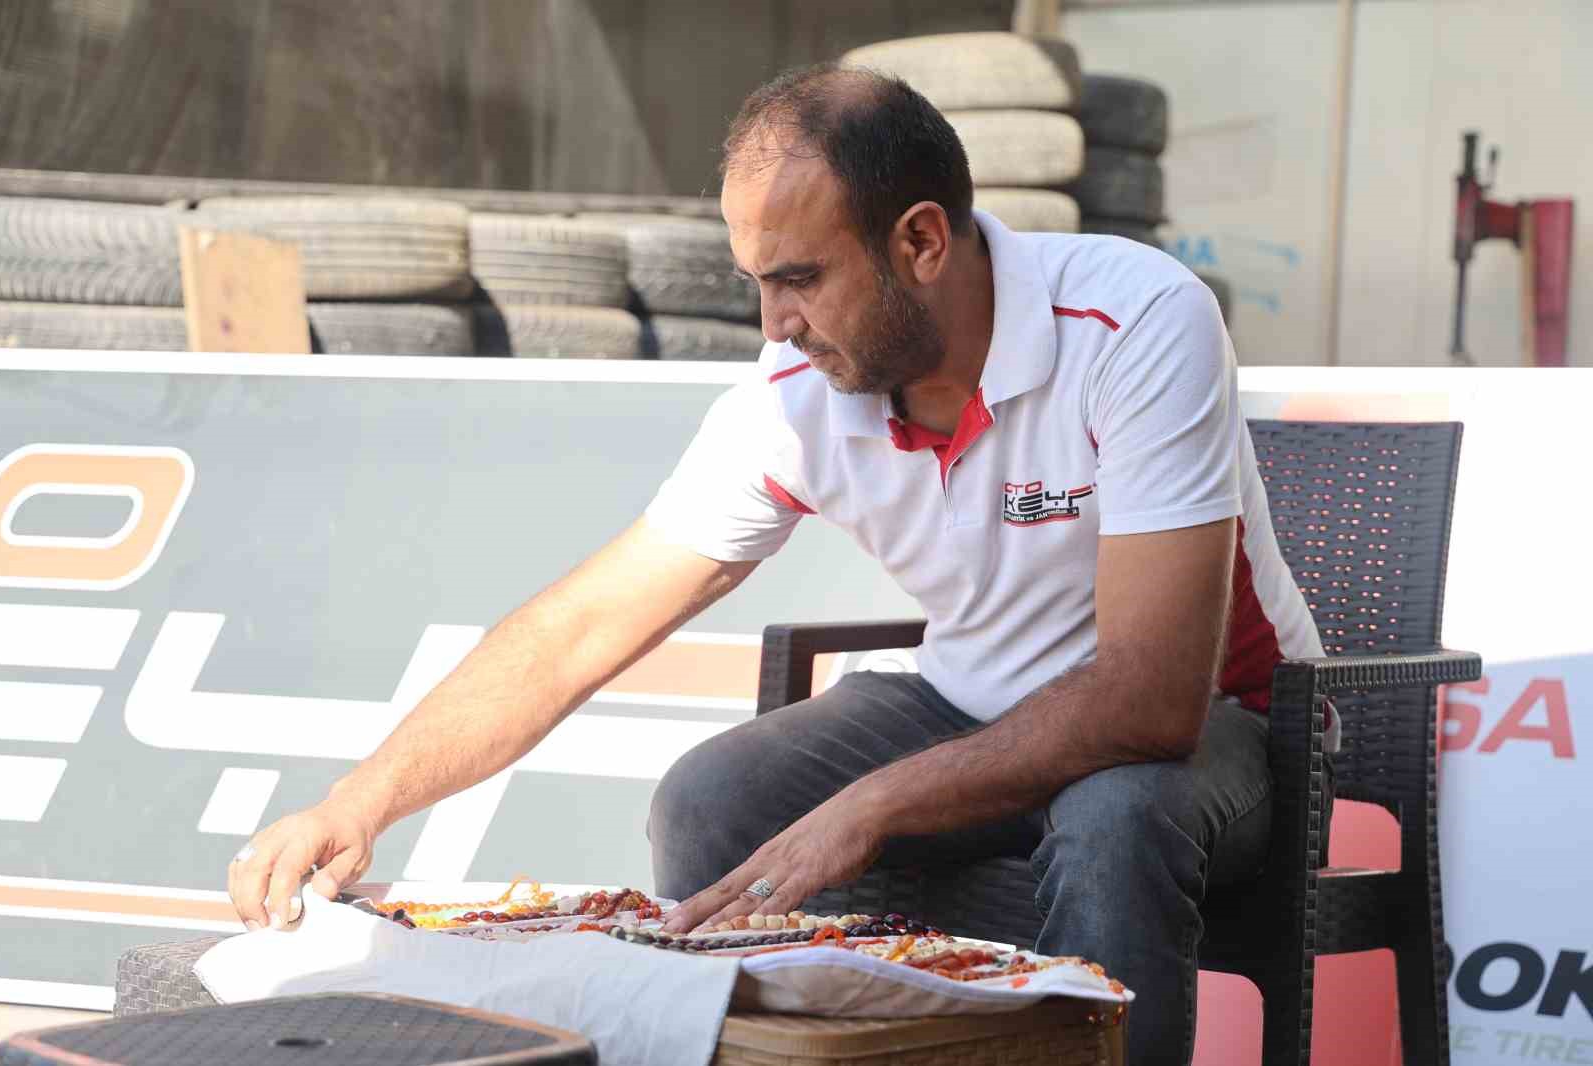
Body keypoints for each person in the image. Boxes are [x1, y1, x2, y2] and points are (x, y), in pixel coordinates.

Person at [228, 65, 1324, 1066]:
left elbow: (1149, 701)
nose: (773, 322)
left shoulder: (1134, 319)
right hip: (972, 701)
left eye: (798, 277)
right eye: (755, 279)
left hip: (1223, 722)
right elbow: (582, 625)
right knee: (714, 799)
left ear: (923, 243)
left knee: (1114, 816)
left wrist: (878, 802)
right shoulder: (793, 394)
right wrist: (360, 800)